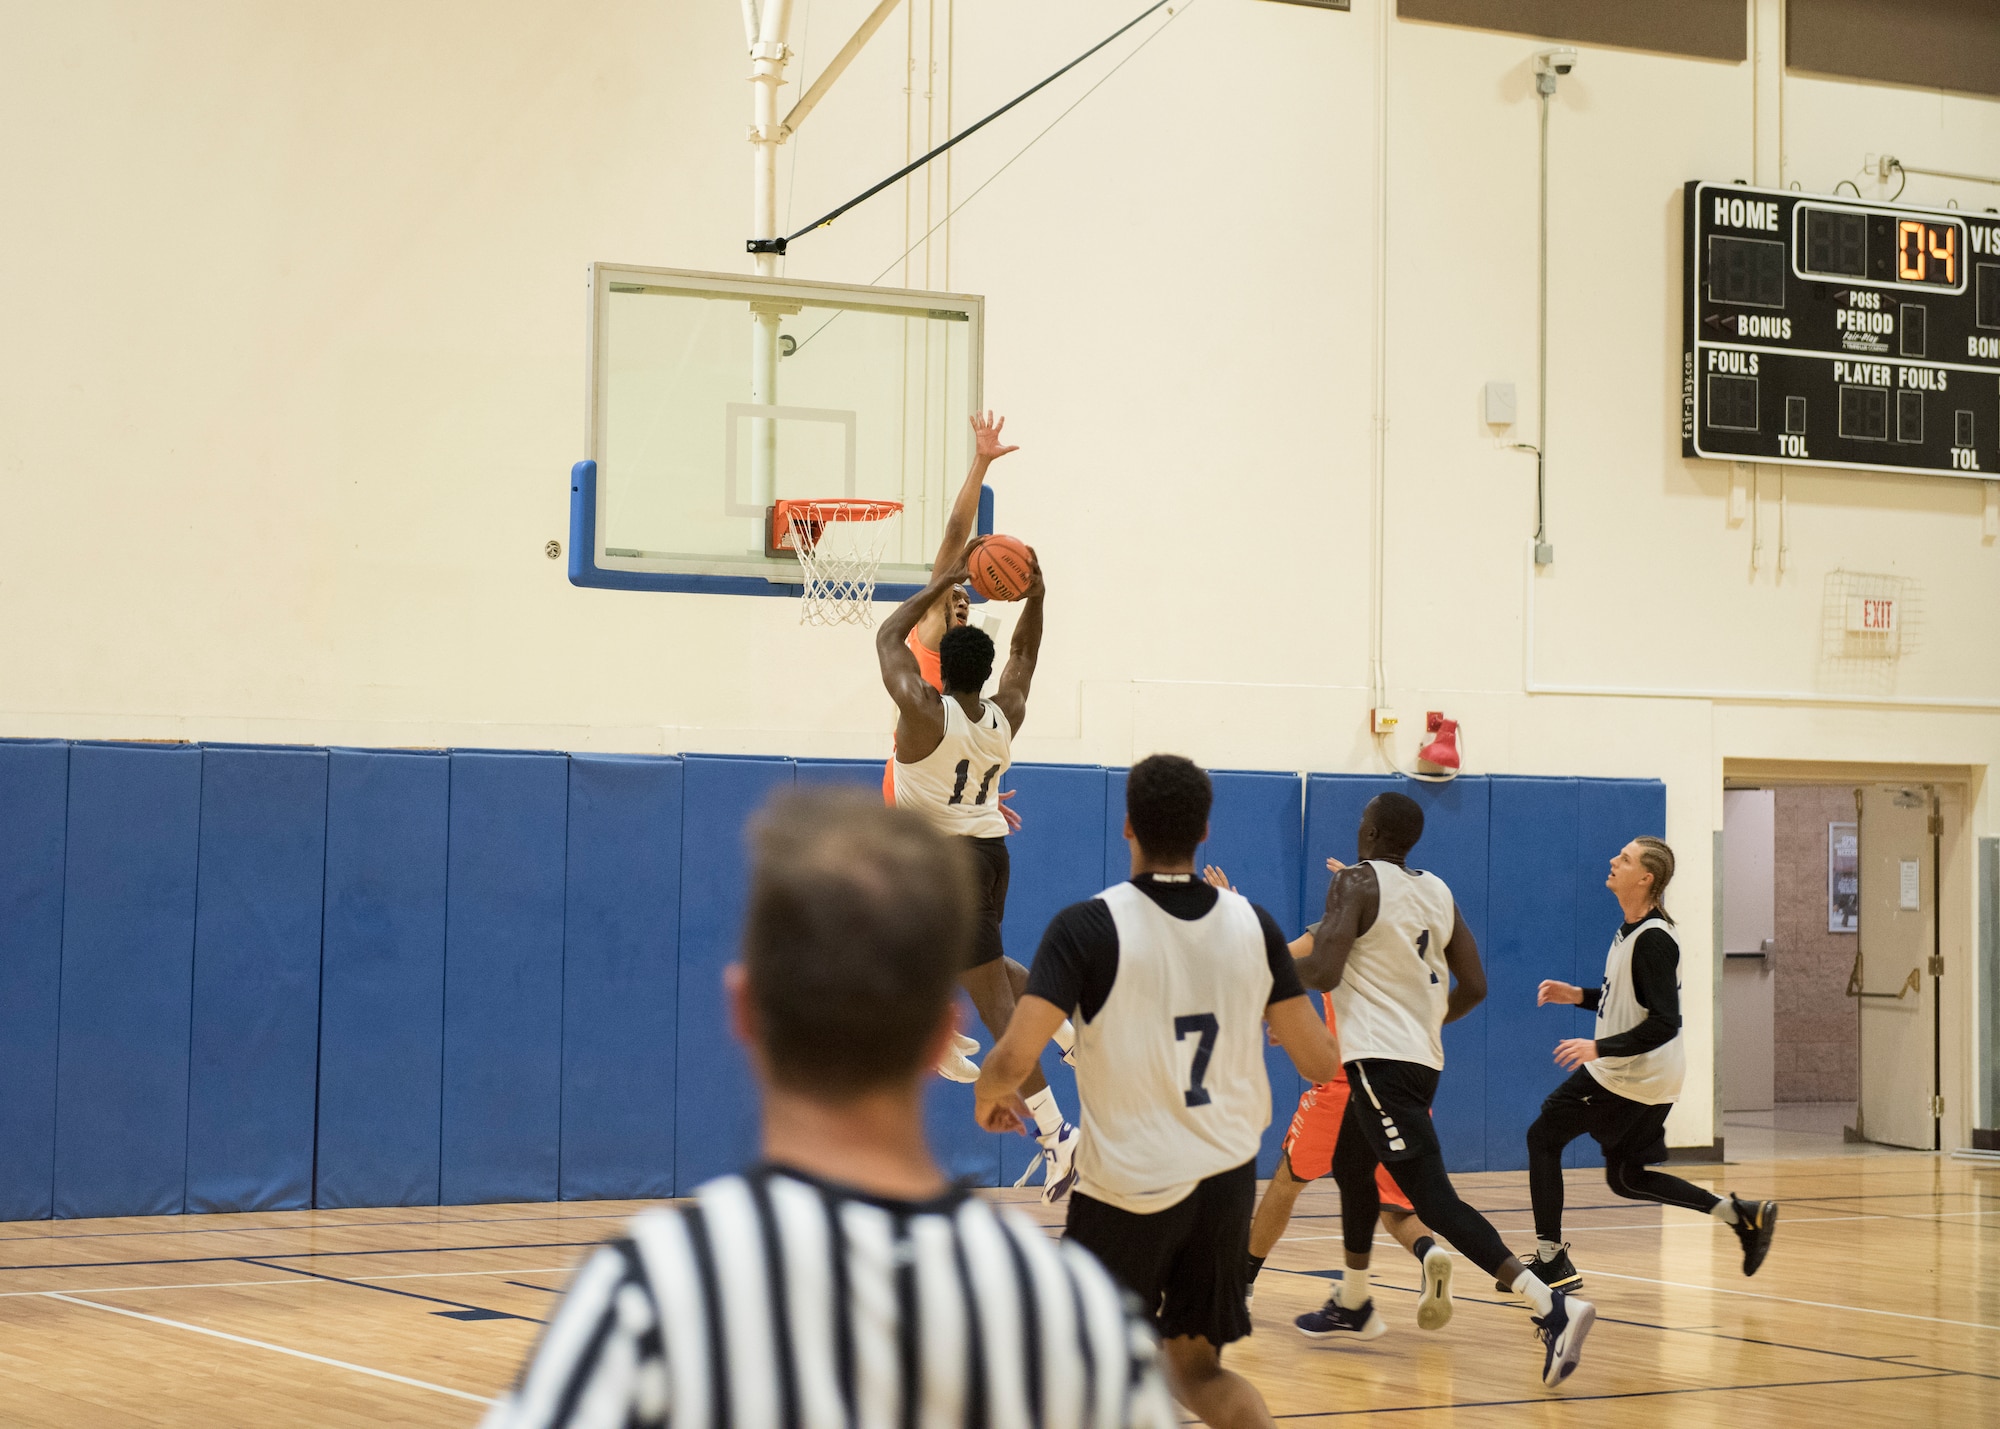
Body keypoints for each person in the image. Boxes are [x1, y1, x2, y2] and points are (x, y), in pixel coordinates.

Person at [480, 790, 1177, 1429]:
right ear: (942, 1031)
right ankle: (1062, 1098)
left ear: (744, 1010)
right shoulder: (1076, 1313)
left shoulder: (646, 1297)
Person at [975, 754, 1347, 1429]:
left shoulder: (1087, 926)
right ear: (1204, 830)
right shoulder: (1252, 925)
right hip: (1225, 1183)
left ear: (1127, 828)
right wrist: (1263, 1010)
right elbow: (1321, 1061)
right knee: (1199, 1371)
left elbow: (1012, 1055)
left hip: (1129, 1188)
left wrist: (987, 1093)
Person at [1294, 792, 1597, 1390]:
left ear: (1372, 830)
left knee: (1433, 1201)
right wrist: (1426, 1022)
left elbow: (1324, 971)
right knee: (1350, 1165)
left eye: (1361, 821)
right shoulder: (1438, 890)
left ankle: (1550, 1305)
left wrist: (1265, 973)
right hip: (1418, 1060)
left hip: (1380, 1064)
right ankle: (1354, 1300)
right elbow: (1476, 986)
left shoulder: (1354, 882)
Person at [876, 539, 1081, 1201]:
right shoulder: (1003, 714)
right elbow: (1025, 655)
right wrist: (1038, 597)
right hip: (991, 855)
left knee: (992, 1002)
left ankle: (1057, 1134)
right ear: (985, 671)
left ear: (938, 669)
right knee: (982, 971)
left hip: (947, 866)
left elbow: (889, 634)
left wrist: (939, 587)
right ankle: (1071, 1027)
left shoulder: (920, 713)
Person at [878, 411, 1074, 1087]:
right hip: (911, 786)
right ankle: (941, 1026)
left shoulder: (970, 668)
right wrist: (982, 464)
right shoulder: (930, 628)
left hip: (948, 789)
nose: (959, 606)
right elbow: (957, 538)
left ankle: (943, 1026)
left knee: (958, 945)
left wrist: (982, 788)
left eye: (966, 603)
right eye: (955, 597)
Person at [1200, 863, 1454, 1334]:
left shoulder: (1333, 931)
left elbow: (1273, 957)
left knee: (1287, 1181)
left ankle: (1242, 1284)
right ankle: (1431, 1254)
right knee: (1395, 1205)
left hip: (1345, 1084)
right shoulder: (1403, 937)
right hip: (1404, 1083)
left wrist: (1234, 910)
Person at [1521, 836, 1778, 1291]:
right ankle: (1739, 1215)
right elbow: (1630, 1004)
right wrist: (1579, 996)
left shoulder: (1654, 941)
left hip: (1626, 1074)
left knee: (1542, 1136)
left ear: (1646, 878)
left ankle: (1550, 1260)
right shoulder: (1632, 932)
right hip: (1651, 1078)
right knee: (1627, 1177)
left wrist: (1597, 1049)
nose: (1612, 861)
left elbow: (1663, 1023)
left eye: (1623, 859)